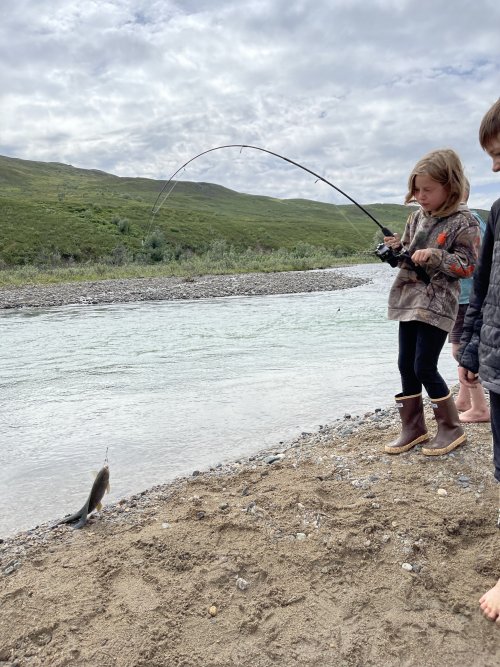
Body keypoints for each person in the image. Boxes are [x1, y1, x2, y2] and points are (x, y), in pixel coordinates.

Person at [383, 148, 480, 457]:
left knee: (424, 365)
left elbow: (467, 266)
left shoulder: (465, 221)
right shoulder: (416, 217)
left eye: (427, 190)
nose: (420, 195)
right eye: (416, 189)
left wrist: (436, 256)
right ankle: (414, 428)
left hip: (438, 305)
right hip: (409, 300)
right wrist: (398, 250)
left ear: (449, 187)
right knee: (404, 364)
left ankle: (452, 429)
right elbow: (408, 261)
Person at [458, 97, 500, 625]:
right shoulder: (499, 212)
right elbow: (484, 287)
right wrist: (469, 349)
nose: (494, 167)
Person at [450, 181, 490, 423]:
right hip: (461, 298)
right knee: (462, 350)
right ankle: (465, 399)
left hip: (467, 298)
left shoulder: (468, 220)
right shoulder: (471, 219)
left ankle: (480, 407)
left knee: (461, 351)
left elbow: (479, 261)